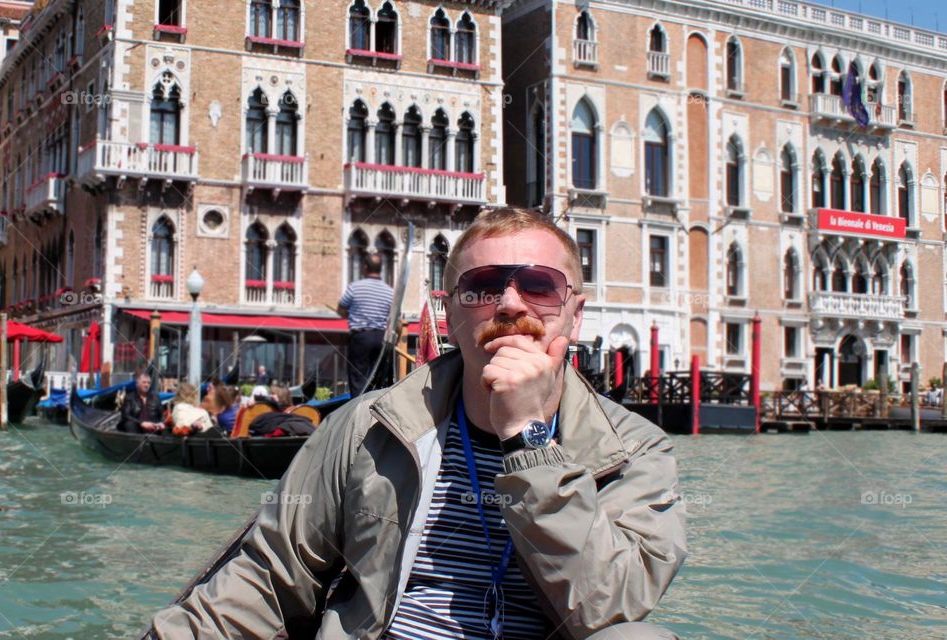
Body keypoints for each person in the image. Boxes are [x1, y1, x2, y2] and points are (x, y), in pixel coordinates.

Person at [152, 208, 686, 639]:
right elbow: (267, 580)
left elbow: (606, 607)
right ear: (450, 313)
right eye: (482, 286)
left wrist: (529, 438)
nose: (508, 303)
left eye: (540, 286)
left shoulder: (637, 451)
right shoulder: (365, 425)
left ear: (575, 312)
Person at [337, 252, 394, 398]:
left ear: (364, 267)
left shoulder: (354, 288)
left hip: (361, 337)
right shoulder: (389, 292)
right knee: (377, 378)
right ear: (380, 269)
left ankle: (357, 410)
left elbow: (341, 309)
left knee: (358, 378)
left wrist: (350, 315)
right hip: (381, 338)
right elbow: (393, 318)